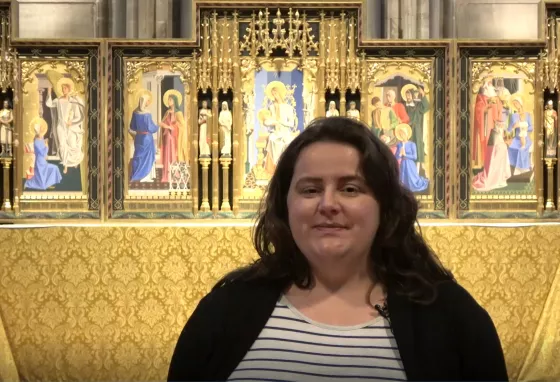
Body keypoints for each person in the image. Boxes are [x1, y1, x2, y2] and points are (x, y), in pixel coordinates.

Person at [168, 117, 508, 382]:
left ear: (384, 206)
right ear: (285, 205)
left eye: (350, 188)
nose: (328, 204)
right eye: (310, 189)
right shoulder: (225, 310)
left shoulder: (451, 317)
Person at [129, 90, 159, 182]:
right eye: (147, 101)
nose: (148, 103)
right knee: (148, 156)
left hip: (138, 138)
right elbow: (151, 127)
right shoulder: (147, 113)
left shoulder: (135, 112)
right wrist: (157, 126)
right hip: (147, 138)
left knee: (138, 155)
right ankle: (145, 177)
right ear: (145, 101)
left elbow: (132, 126)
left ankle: (135, 175)